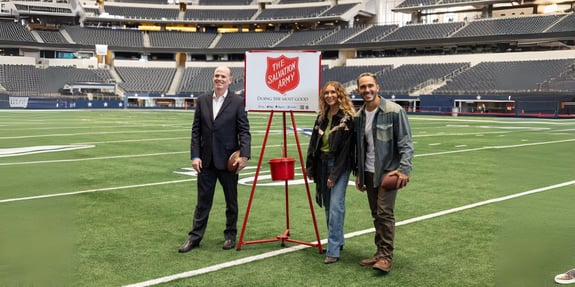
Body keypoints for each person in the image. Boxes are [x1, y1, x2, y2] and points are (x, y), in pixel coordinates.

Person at [178, 66, 251, 252]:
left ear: (230, 80)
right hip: (206, 161)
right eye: (217, 76)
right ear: (213, 78)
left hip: (229, 161)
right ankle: (194, 237)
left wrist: (244, 155)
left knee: (231, 202)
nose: (219, 79)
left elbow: (244, 131)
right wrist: (195, 156)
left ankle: (230, 235)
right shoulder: (202, 100)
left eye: (223, 76)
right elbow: (196, 131)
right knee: (202, 202)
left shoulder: (238, 102)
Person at [353, 72, 414, 273]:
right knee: (376, 214)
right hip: (368, 172)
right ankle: (379, 253)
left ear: (377, 87)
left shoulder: (394, 111)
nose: (367, 90)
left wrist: (404, 169)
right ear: (358, 90)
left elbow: (405, 143)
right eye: (363, 87)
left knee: (385, 213)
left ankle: (386, 257)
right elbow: (361, 147)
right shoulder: (359, 116)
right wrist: (359, 174)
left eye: (370, 86)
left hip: (388, 172)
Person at [306, 81, 355, 264]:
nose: (329, 95)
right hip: (322, 164)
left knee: (336, 206)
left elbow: (346, 151)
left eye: (333, 92)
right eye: (326, 93)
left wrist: (334, 175)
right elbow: (313, 144)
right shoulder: (322, 117)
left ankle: (333, 249)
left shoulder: (347, 118)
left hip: (339, 165)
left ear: (339, 94)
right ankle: (337, 241)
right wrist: (310, 167)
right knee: (328, 205)